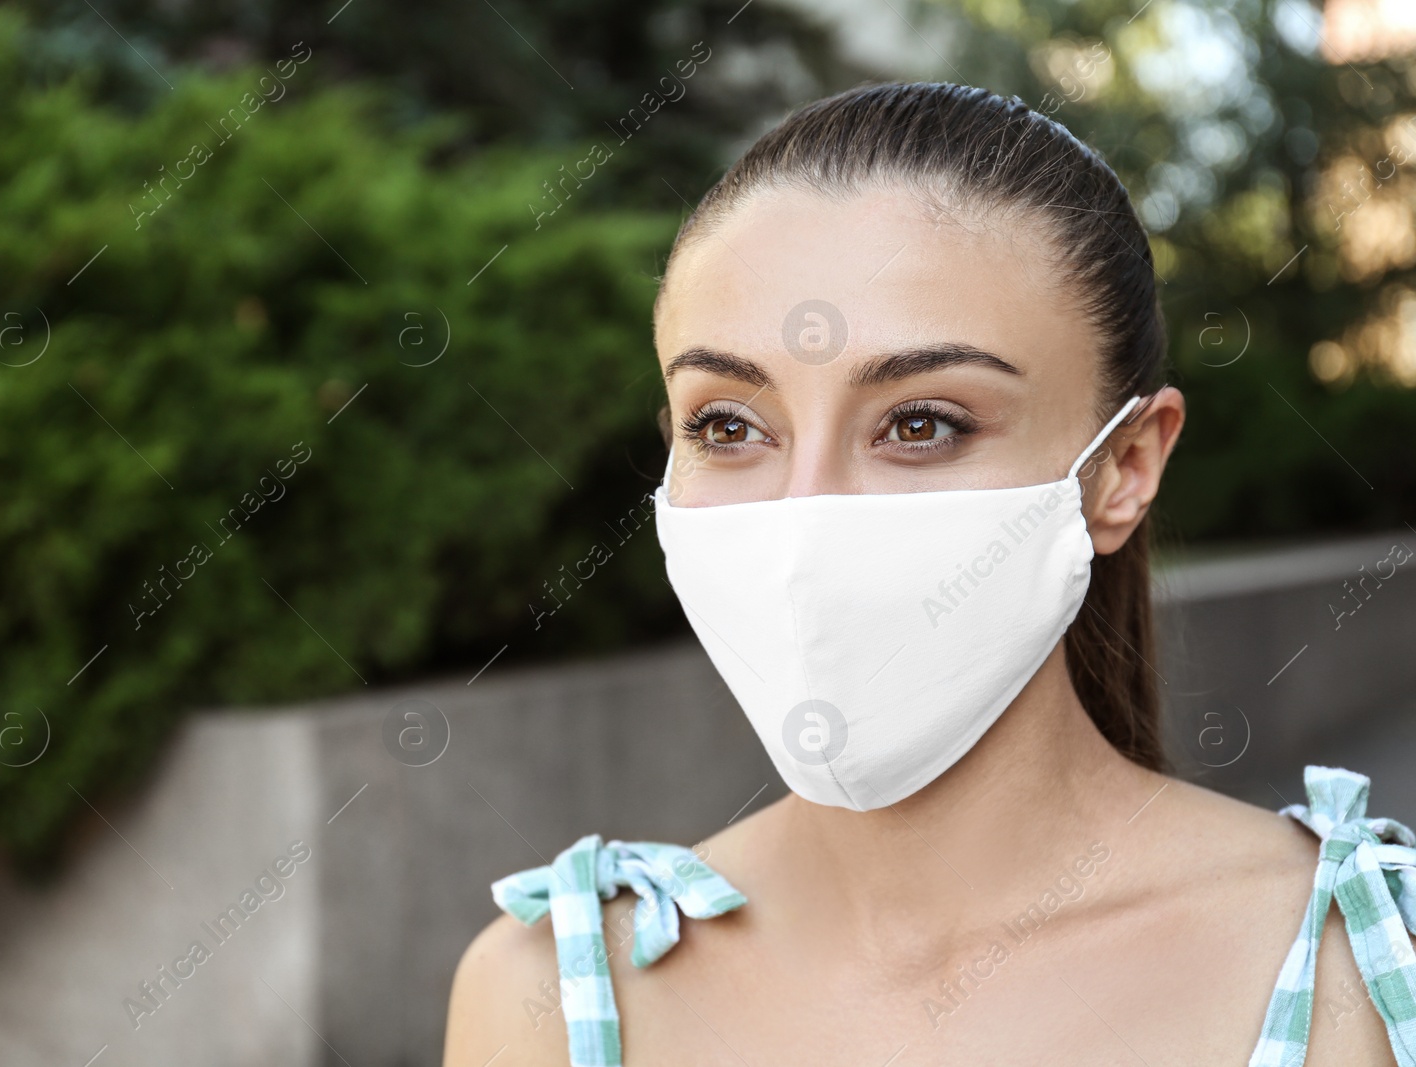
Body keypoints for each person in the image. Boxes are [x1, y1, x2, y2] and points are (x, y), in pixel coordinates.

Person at [442, 82, 1416, 1067]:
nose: (802, 518)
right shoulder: (548, 993)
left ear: (1122, 470)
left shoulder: (1372, 969)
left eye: (921, 423)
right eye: (728, 425)